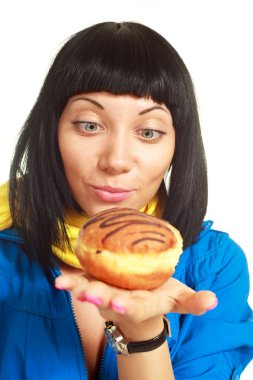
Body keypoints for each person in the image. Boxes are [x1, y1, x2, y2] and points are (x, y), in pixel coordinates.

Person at [0, 21, 252, 380]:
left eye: (148, 132)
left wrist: (143, 333)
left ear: (178, 145)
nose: (116, 161)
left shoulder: (214, 268)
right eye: (89, 125)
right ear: (52, 130)